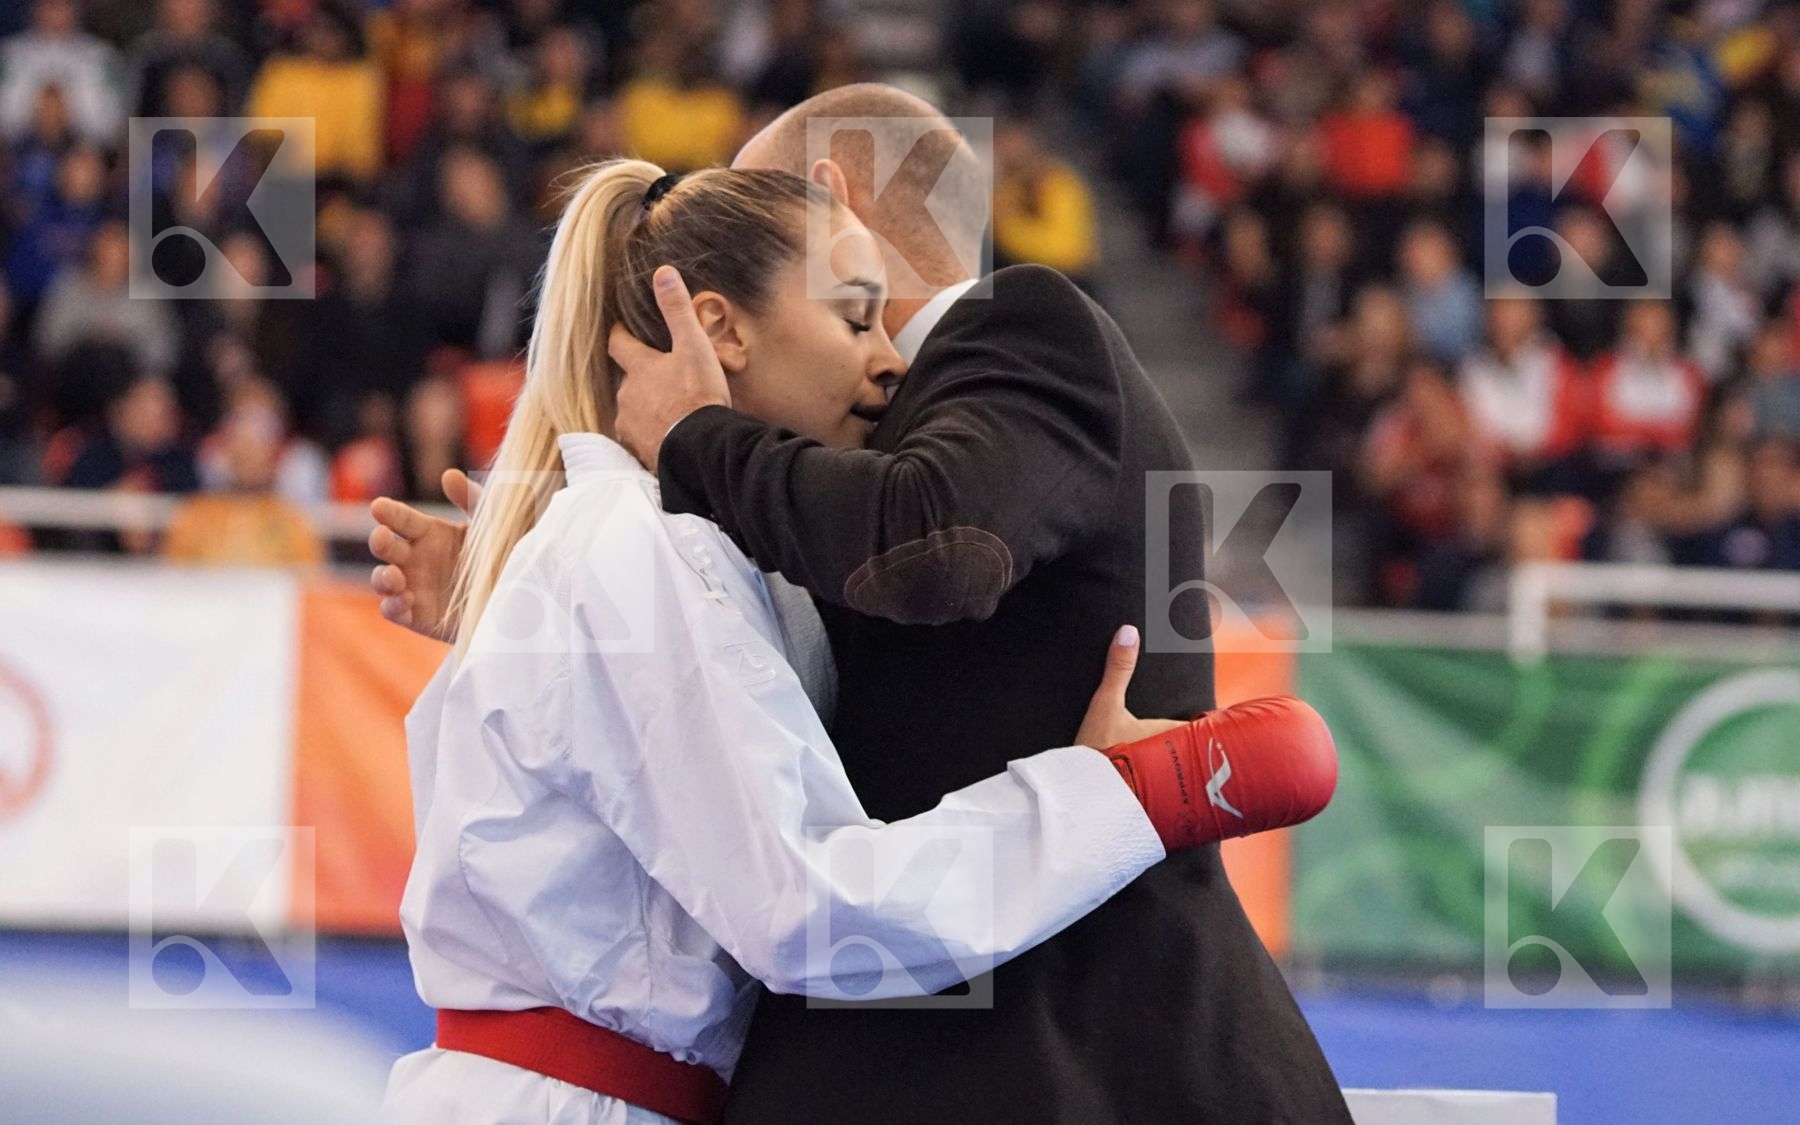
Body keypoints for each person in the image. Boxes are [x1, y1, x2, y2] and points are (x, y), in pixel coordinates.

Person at [372, 84, 1354, 1124]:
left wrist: (544, 593)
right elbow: (805, 899)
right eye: (849, 315)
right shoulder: (647, 537)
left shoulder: (1012, 342)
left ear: (831, 196)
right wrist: (1131, 792)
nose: (882, 360)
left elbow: (927, 550)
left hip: (1038, 1045)